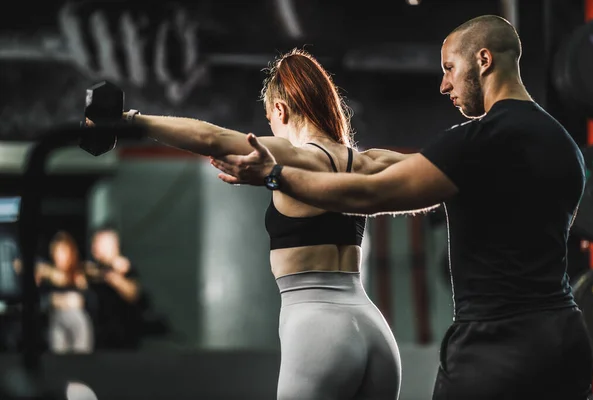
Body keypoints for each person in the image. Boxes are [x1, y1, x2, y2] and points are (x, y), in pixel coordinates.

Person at [210, 15, 593, 400]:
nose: (445, 85)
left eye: (449, 68)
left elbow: (369, 194)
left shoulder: (474, 141)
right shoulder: (565, 147)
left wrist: (275, 175)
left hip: (496, 348)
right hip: (565, 338)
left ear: (483, 60)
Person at [86, 49, 404, 399]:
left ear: (279, 111)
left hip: (320, 329)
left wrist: (129, 119)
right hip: (374, 329)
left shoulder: (293, 156)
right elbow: (442, 165)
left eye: (271, 121)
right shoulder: (369, 162)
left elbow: (212, 139)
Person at [85, 225, 143, 349]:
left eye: (101, 244)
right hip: (97, 338)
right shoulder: (92, 269)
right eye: (95, 243)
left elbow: (133, 294)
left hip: (124, 338)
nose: (96, 248)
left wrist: (116, 277)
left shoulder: (127, 270)